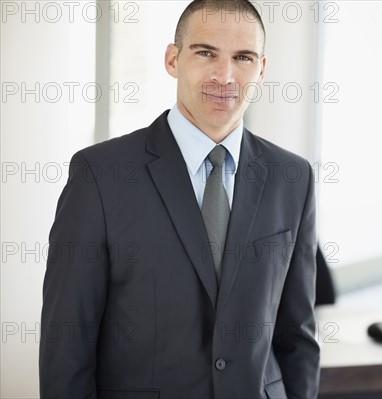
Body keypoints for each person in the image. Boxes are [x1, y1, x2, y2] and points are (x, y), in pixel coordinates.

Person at [39, 1, 320, 398]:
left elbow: (298, 335)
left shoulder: (293, 177)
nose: (224, 76)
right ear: (173, 59)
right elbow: (67, 344)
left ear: (261, 69)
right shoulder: (100, 175)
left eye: (243, 57)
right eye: (206, 53)